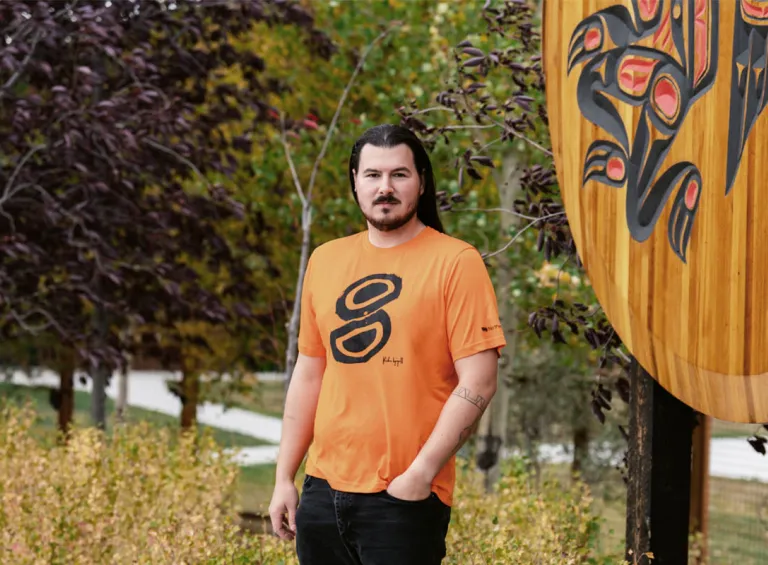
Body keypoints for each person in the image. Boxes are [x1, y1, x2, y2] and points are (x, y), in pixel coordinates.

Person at [268, 124, 506, 565]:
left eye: (399, 174)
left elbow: (480, 381)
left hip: (403, 497)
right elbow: (310, 370)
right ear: (355, 182)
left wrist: (420, 474)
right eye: (372, 175)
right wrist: (285, 476)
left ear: (421, 181)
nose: (385, 188)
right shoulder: (325, 259)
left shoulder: (456, 262)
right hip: (322, 492)